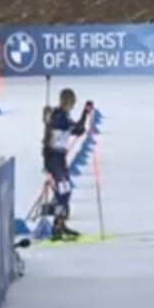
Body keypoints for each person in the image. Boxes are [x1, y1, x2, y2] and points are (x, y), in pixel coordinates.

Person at [43, 90, 94, 241]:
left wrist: (85, 114)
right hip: (54, 158)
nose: (72, 105)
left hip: (59, 158)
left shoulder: (62, 115)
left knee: (65, 191)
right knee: (63, 191)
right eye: (72, 102)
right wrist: (84, 114)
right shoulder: (59, 116)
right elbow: (76, 128)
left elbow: (78, 130)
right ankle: (57, 226)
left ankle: (60, 223)